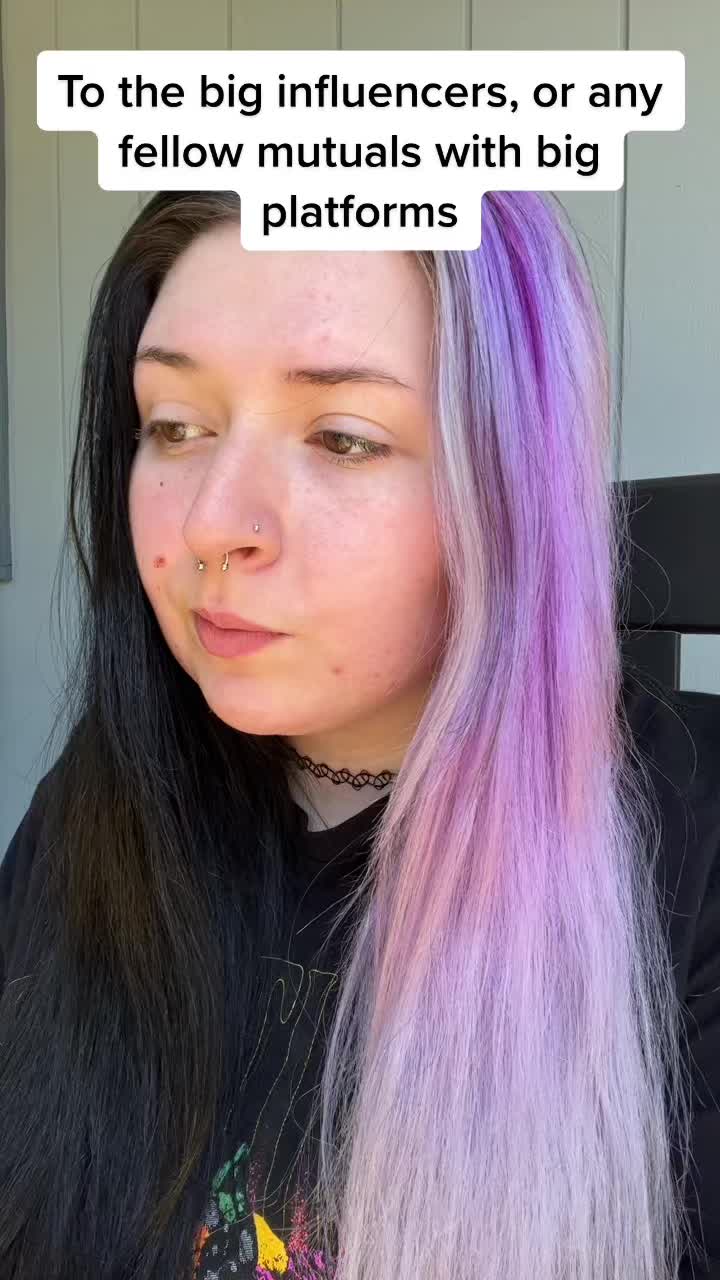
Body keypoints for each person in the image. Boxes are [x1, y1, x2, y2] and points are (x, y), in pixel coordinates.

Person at [0, 190, 718, 1280]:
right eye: (174, 425)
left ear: (513, 483)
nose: (210, 523)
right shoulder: (99, 807)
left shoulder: (690, 855)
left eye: (342, 437)